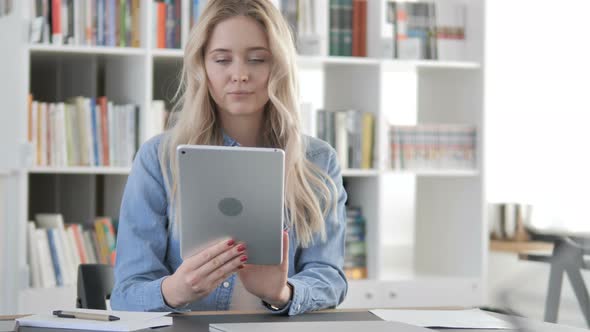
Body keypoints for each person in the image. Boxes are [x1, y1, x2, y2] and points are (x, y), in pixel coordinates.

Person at [110, 0, 348, 315]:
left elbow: (330, 278)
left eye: (257, 59)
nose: (239, 74)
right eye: (222, 60)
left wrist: (282, 292)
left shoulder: (317, 160)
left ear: (278, 67)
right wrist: (176, 290)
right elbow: (126, 294)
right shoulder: (159, 159)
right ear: (201, 67)